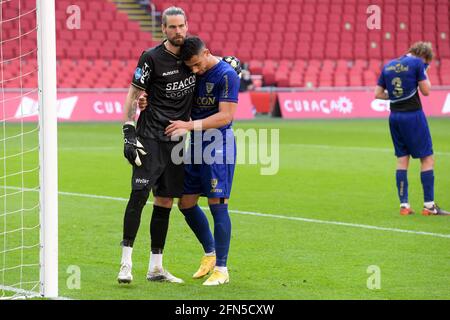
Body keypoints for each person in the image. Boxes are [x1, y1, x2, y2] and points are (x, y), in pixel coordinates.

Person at [117, 6, 194, 284]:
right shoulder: (151, 58)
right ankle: (125, 263)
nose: (178, 31)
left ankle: (156, 267)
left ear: (187, 26)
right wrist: (128, 131)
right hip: (149, 137)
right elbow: (134, 93)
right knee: (138, 196)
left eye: (181, 26)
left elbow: (211, 66)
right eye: (172, 27)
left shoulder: (192, 56)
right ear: (163, 29)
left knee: (165, 201)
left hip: (176, 141)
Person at [375, 41, 449, 216]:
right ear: (424, 57)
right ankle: (429, 206)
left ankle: (404, 206)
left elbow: (378, 94)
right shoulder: (417, 64)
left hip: (394, 117)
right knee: (427, 158)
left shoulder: (389, 65)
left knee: (402, 159)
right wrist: (424, 72)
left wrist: (394, 96)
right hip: (413, 115)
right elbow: (426, 91)